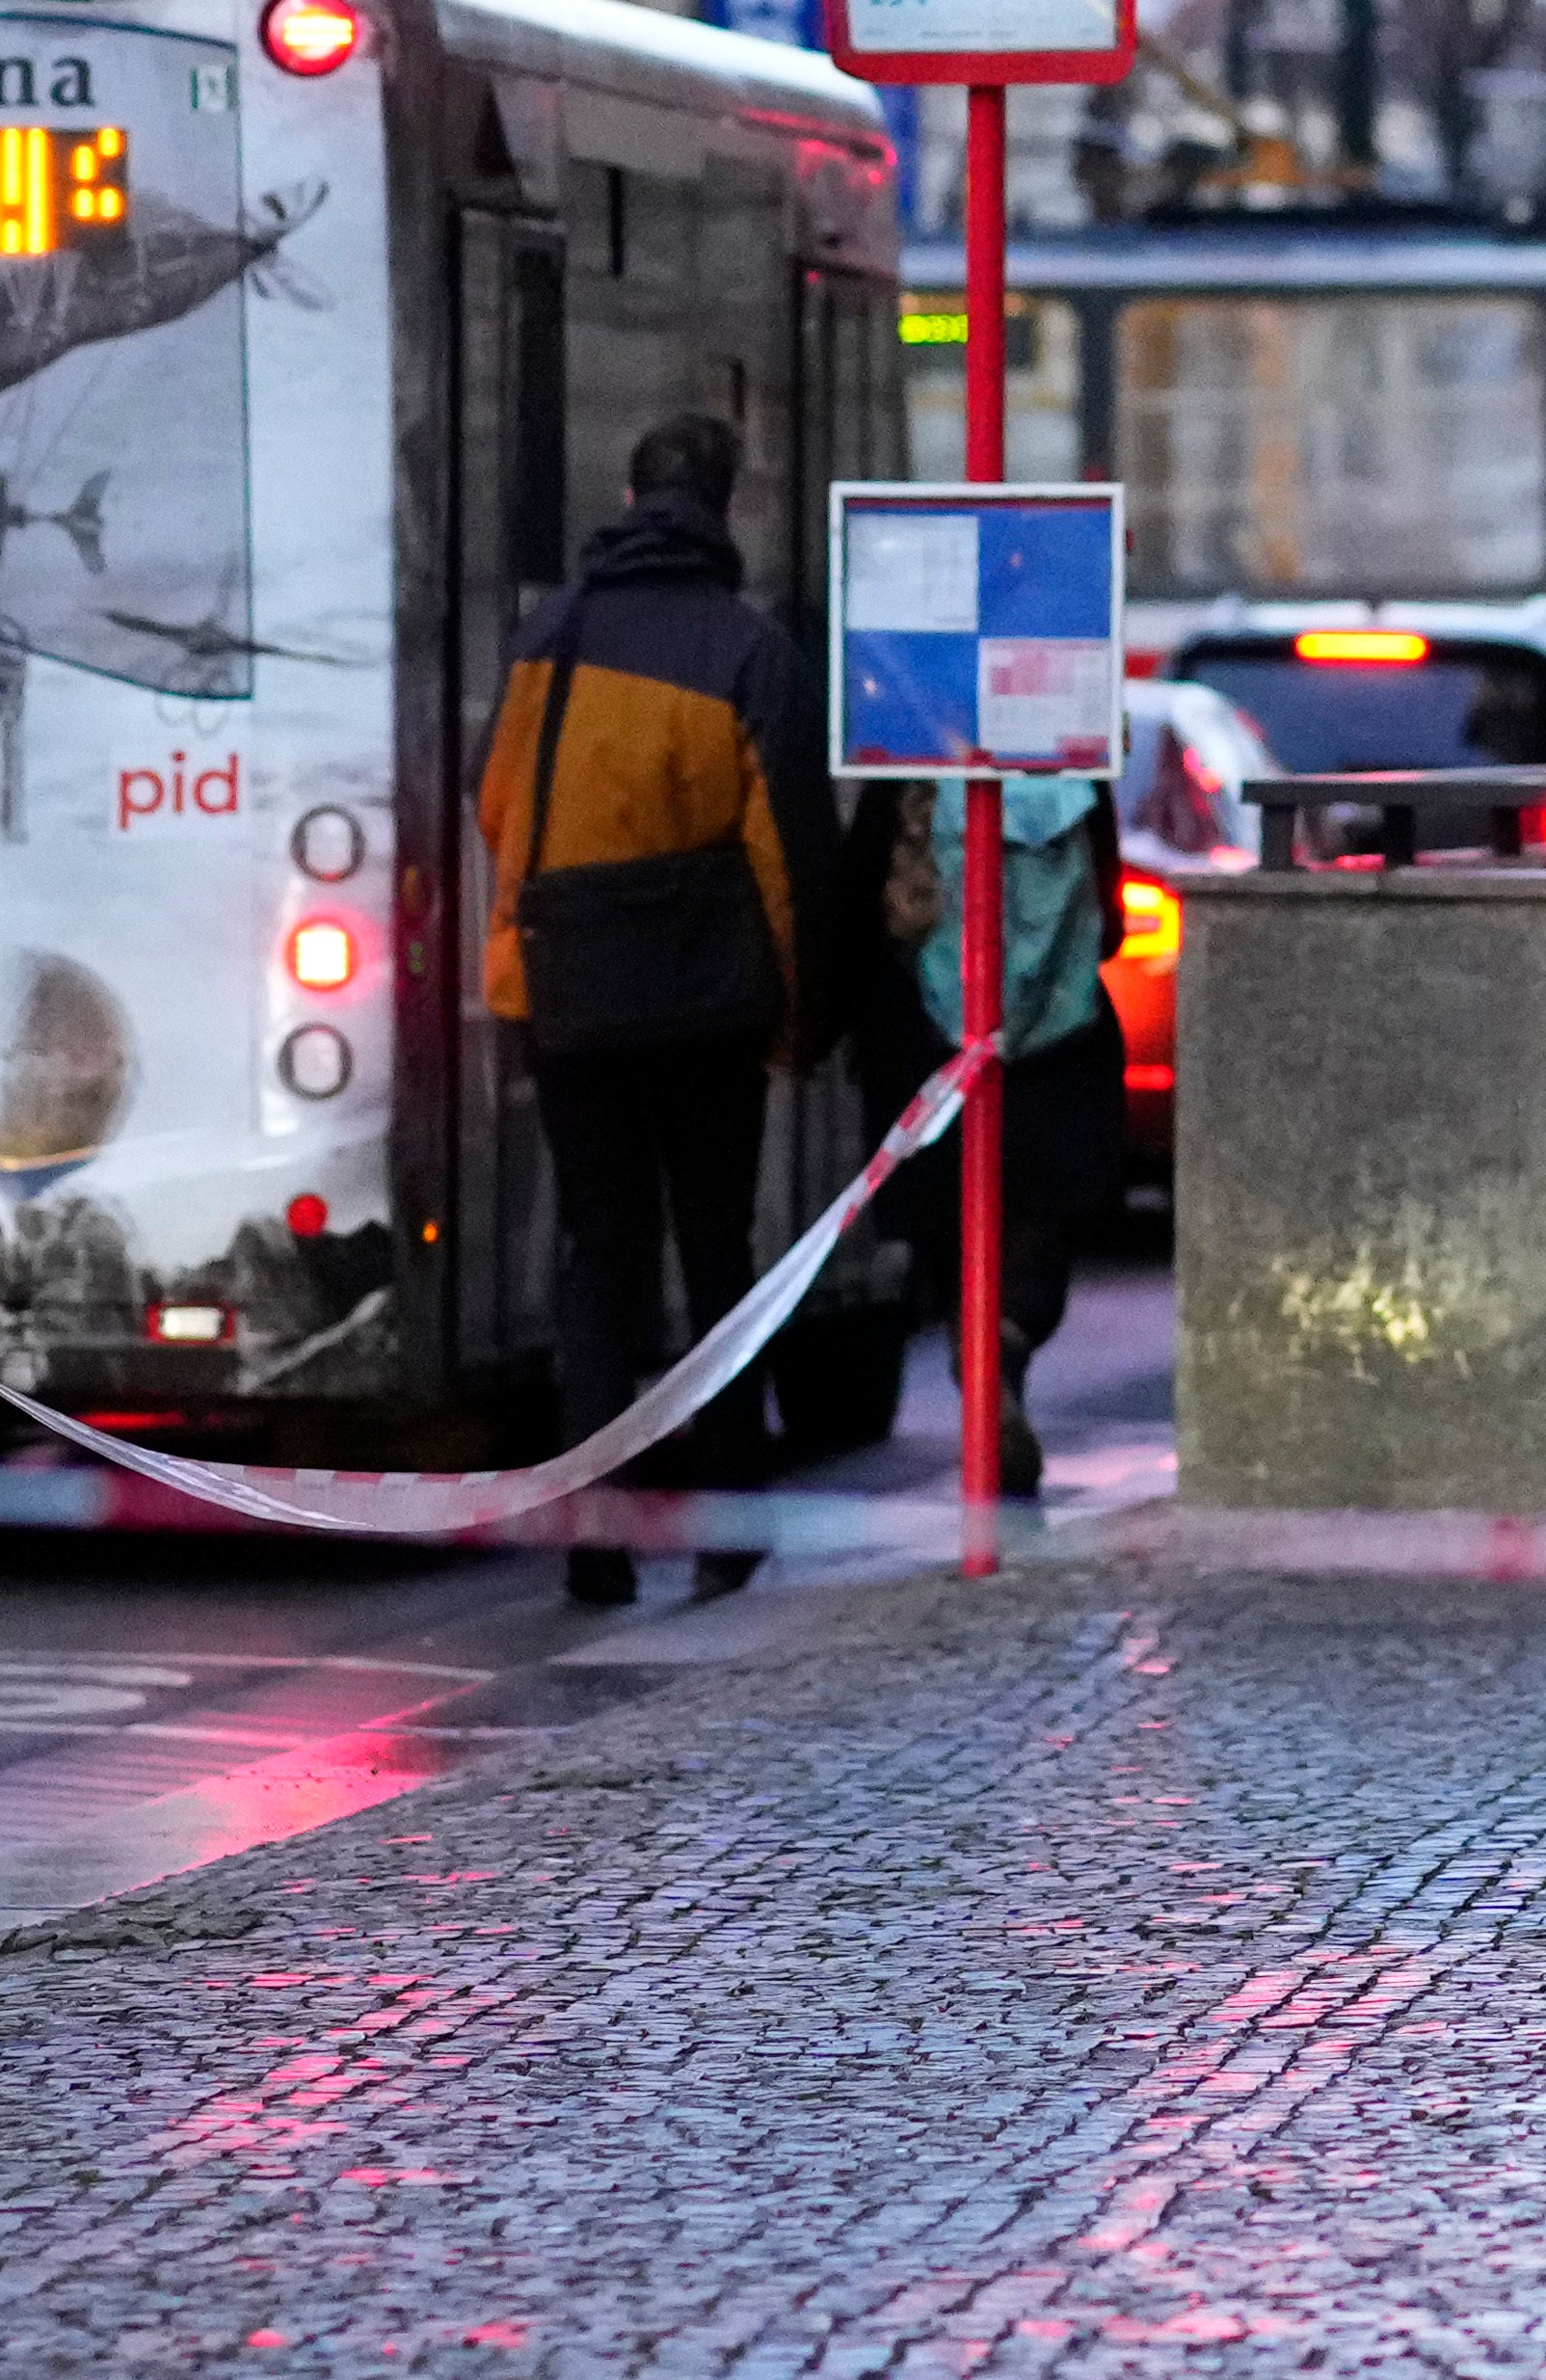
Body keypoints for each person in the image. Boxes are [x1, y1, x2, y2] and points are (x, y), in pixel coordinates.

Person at [474, 411, 837, 1605]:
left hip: (573, 999)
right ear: (724, 504)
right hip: (707, 1009)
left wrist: (530, 958)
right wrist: (799, 1015)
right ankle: (726, 1523)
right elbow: (785, 857)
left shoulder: (550, 635)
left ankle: (596, 1537)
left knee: (597, 1262)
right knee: (716, 1254)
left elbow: (497, 807)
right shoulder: (750, 651)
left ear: (631, 496)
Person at [860, 764, 1120, 1496]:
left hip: (930, 1059)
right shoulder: (1076, 773)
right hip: (1057, 1052)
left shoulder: (901, 775)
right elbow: (1112, 925)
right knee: (1036, 1233)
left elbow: (854, 908)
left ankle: (974, 1346)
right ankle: (1003, 1345)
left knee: (954, 1234)